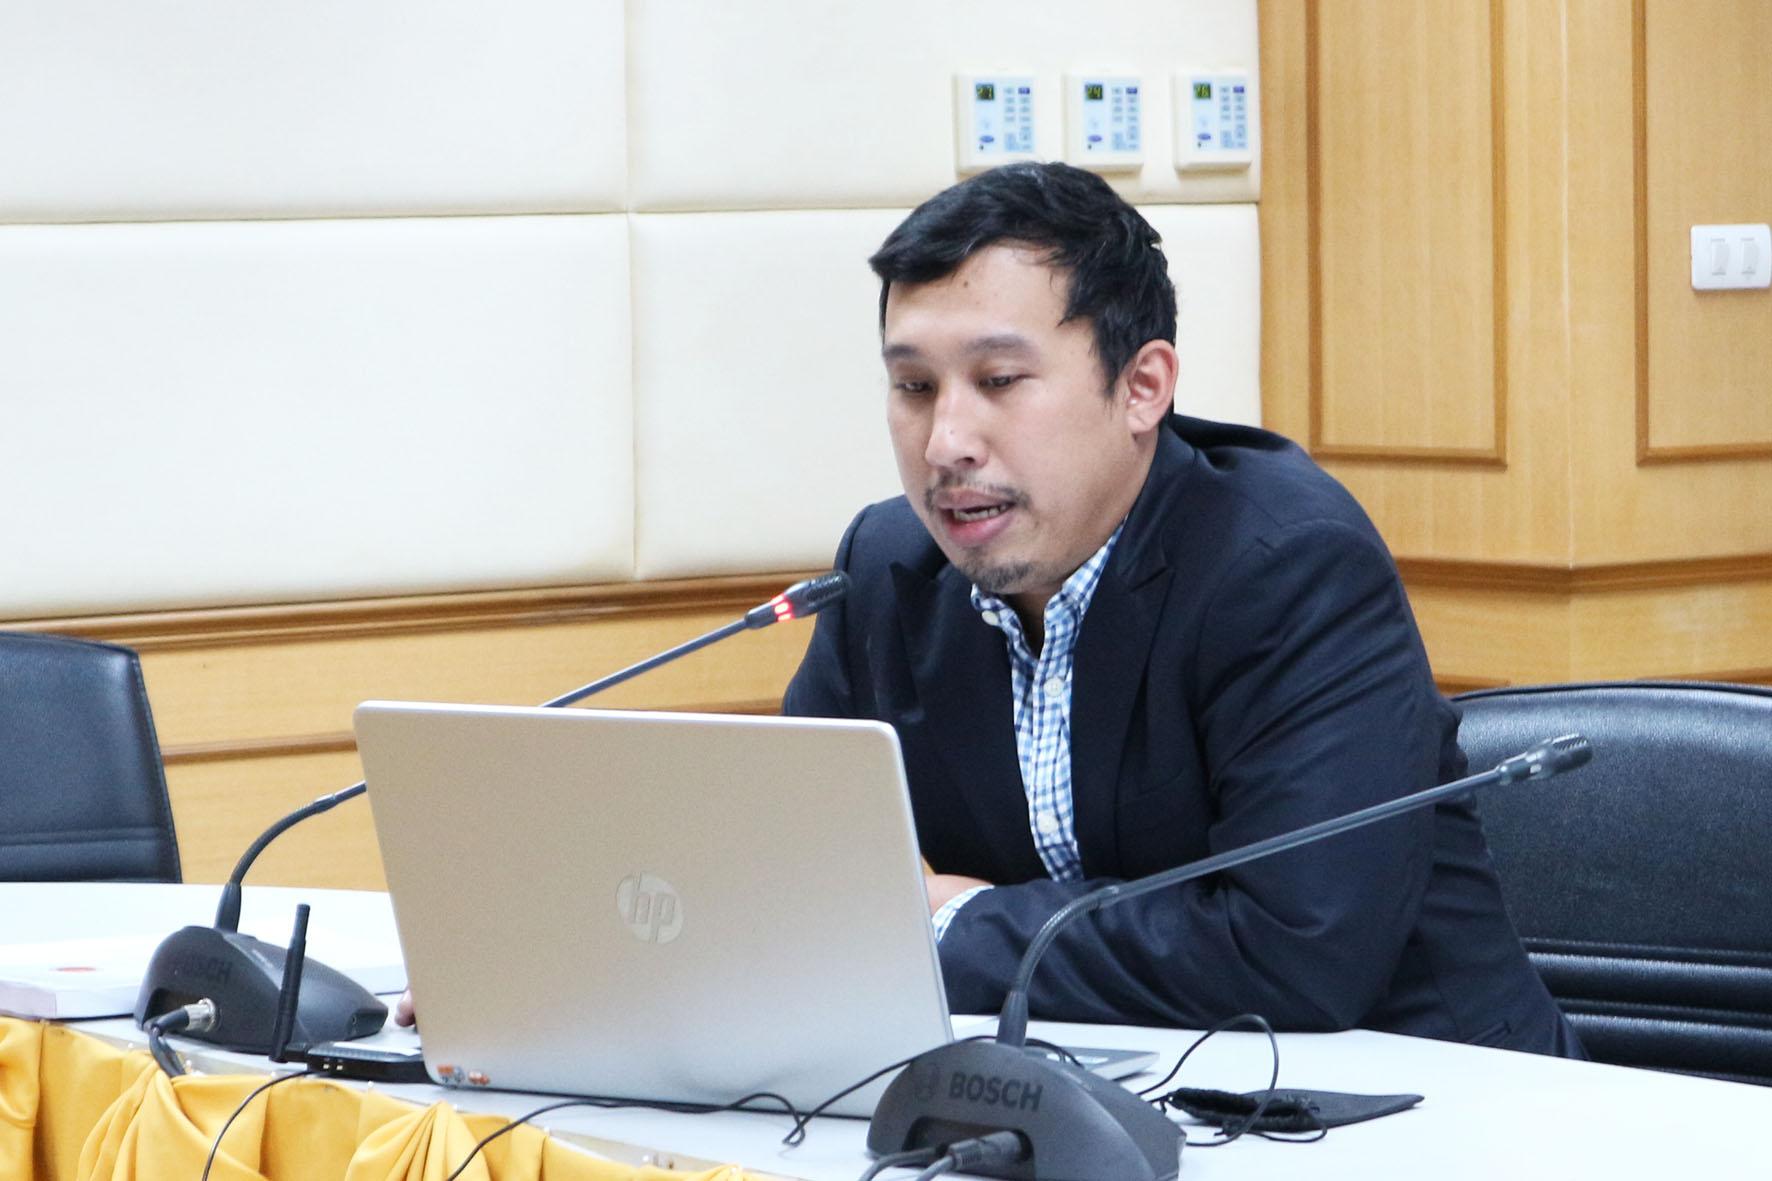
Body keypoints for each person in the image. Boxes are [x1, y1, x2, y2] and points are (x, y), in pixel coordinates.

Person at [781, 161, 1583, 1057]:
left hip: (1424, 1091)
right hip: (1082, 1085)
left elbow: (1296, 952)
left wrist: (956, 924)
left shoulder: (1285, 566)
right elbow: (792, 885)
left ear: (1142, 387)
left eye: (999, 379)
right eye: (914, 387)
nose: (946, 442)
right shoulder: (887, 570)